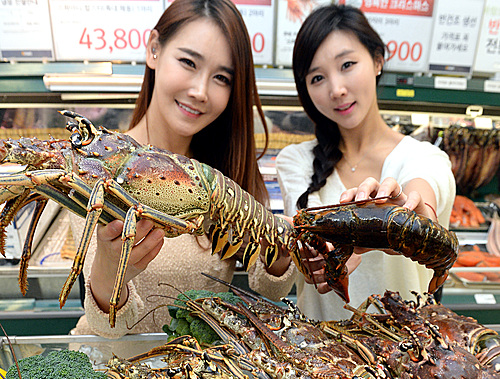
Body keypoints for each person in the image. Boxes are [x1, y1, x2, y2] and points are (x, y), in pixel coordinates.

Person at [70, 0, 294, 339]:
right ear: (154, 49)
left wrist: (284, 244)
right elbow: (105, 327)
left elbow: (270, 286)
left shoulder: (225, 168)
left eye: (221, 78)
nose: (200, 91)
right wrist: (108, 273)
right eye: (188, 62)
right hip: (113, 361)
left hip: (200, 364)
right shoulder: (100, 161)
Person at [276, 4, 456, 322]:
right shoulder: (295, 160)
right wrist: (307, 259)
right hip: (316, 347)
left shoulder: (424, 157)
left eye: (347, 64)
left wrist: (414, 212)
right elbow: (297, 242)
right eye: (317, 77)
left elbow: (422, 190)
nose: (337, 89)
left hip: (404, 348)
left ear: (377, 60)